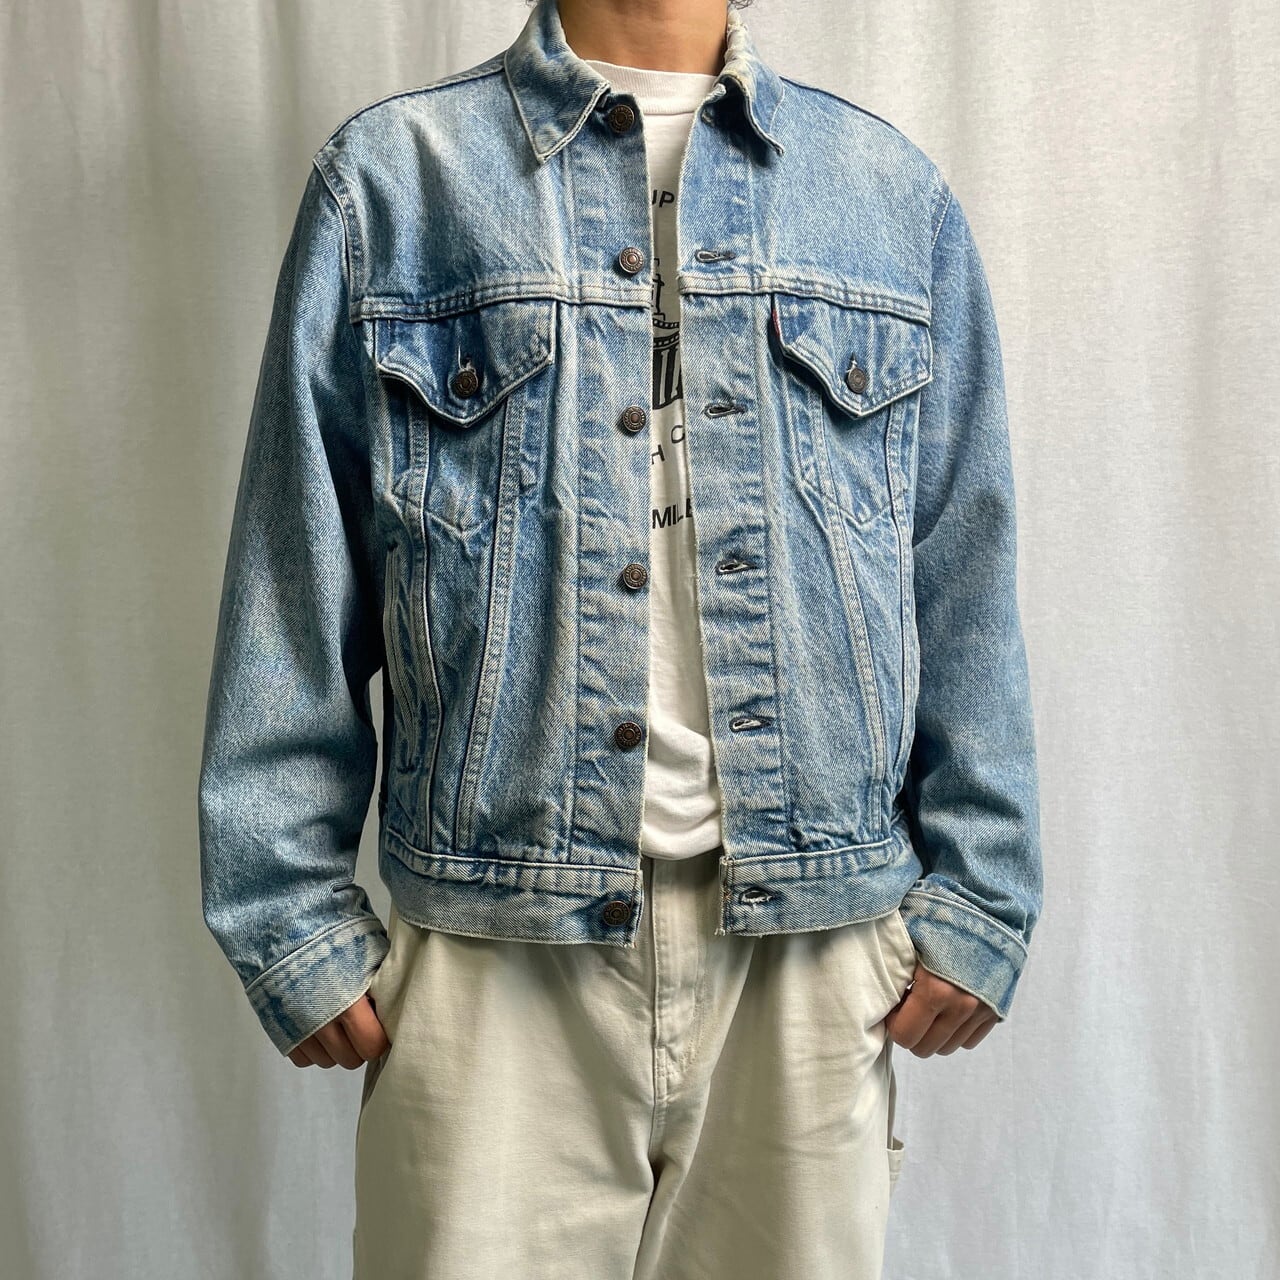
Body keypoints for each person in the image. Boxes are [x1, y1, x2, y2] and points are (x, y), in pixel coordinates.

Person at [197, 0, 1043, 1275]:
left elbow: (960, 560)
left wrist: (982, 888)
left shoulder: (884, 194)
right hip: (490, 946)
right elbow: (294, 570)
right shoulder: (394, 182)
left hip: (808, 945)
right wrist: (287, 915)